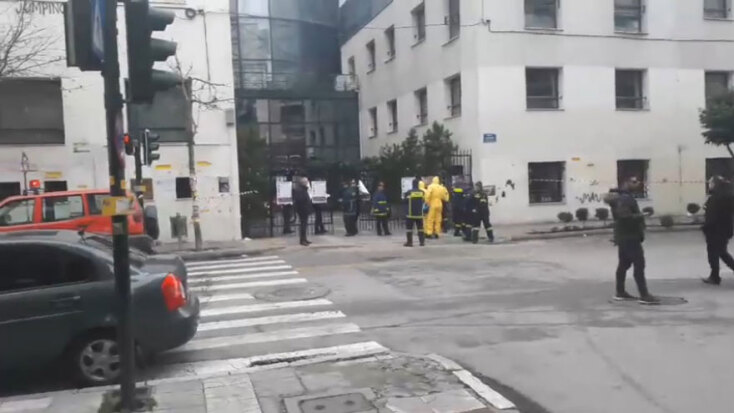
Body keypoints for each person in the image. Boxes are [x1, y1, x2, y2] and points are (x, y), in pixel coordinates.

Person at [605, 177, 660, 305]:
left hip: (624, 236)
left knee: (623, 264)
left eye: (638, 181)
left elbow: (622, 217)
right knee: (639, 264)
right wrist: (642, 215)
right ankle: (644, 295)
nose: (637, 183)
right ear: (626, 183)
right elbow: (625, 217)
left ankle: (620, 292)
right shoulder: (625, 198)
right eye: (634, 182)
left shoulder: (622, 197)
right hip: (630, 236)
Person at [702, 176, 734, 285]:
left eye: (711, 183)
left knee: (718, 253)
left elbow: (713, 215)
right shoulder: (725, 195)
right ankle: (714, 276)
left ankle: (714, 277)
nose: (709, 185)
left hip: (716, 230)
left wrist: (706, 227)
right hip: (722, 230)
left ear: (715, 184)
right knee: (718, 253)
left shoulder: (717, 198)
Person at [404, 178, 426, 247]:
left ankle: (409, 242)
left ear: (412, 184)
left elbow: (405, 201)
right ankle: (422, 242)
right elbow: (424, 200)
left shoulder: (409, 192)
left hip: (410, 214)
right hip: (419, 214)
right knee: (420, 228)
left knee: (409, 229)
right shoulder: (422, 192)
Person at [292, 177, 313, 246]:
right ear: (303, 183)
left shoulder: (303, 189)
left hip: (304, 209)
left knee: (304, 225)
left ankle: (304, 239)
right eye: (306, 182)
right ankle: (302, 240)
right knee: (303, 225)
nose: (307, 183)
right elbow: (300, 200)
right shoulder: (300, 190)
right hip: (303, 210)